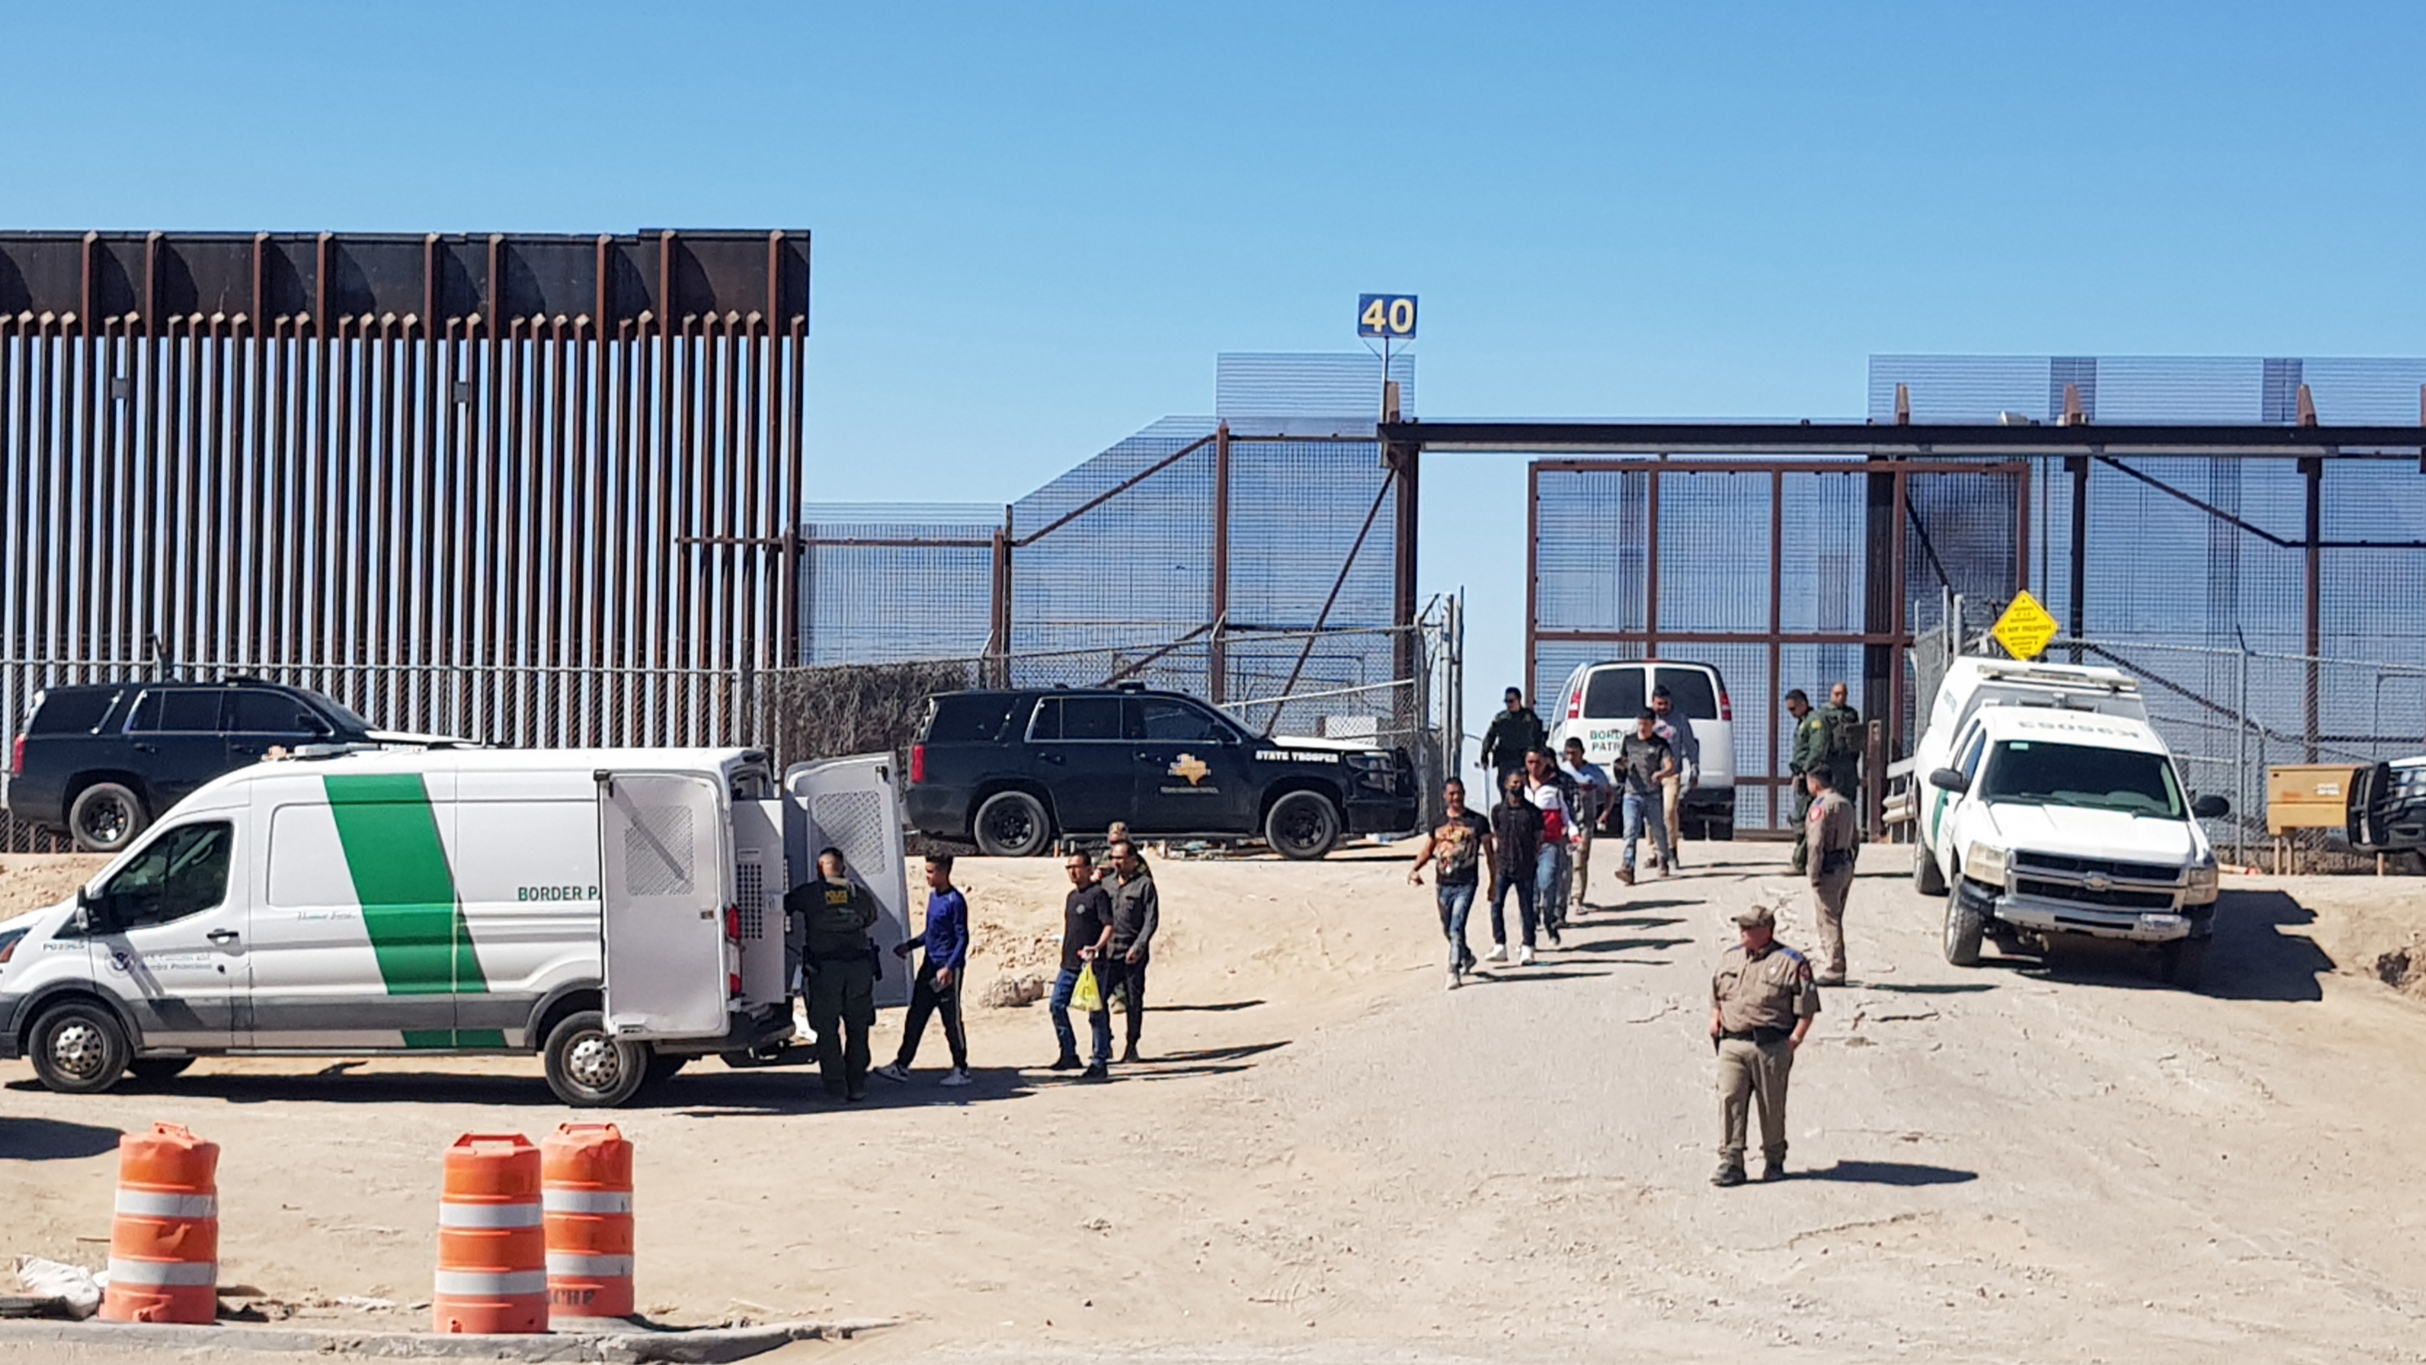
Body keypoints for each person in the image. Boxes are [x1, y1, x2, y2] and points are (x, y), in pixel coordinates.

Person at [1707, 904, 1821, 1187]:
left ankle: (1774, 1159)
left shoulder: (1791, 962)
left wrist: (1794, 1041)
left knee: (1771, 1106)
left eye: (1748, 928)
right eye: (1741, 927)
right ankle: (1731, 1161)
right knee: (1730, 1099)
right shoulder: (1730, 958)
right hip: (1732, 1042)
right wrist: (1716, 1018)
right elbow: (1717, 993)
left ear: (1766, 932)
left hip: (1770, 1046)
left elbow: (1806, 1008)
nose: (1742, 932)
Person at [791, 847, 880, 1101]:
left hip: (825, 971)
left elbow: (785, 904)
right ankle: (857, 1084)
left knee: (827, 1030)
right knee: (858, 1027)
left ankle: (835, 1085)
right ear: (843, 867)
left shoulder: (810, 893)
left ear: (820, 868)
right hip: (859, 970)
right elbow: (871, 917)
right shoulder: (858, 893)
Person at [876, 854, 971, 1087]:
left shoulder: (955, 901)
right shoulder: (933, 897)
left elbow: (962, 938)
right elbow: (930, 932)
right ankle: (901, 1065)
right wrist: (909, 946)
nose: (926, 876)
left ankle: (961, 1068)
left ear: (944, 871)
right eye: (926, 871)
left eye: (930, 872)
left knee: (951, 1020)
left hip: (947, 970)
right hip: (929, 966)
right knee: (916, 1016)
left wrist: (949, 967)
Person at [1407, 777, 1496, 989]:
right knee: (1447, 928)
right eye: (1452, 794)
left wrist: (1493, 882)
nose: (1456, 798)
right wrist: (1414, 869)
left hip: (1466, 883)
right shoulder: (1438, 822)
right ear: (1445, 796)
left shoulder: (1477, 822)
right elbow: (1428, 850)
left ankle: (1453, 969)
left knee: (1457, 925)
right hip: (1443, 883)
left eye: (1459, 793)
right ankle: (1466, 955)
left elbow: (1490, 854)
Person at [1048, 850, 1116, 1079]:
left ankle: (1100, 1060)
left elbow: (1108, 924)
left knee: (1095, 1013)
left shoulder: (1098, 895)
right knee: (1057, 1004)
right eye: (1069, 868)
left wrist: (1097, 947)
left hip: (1093, 966)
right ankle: (1068, 1053)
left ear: (1088, 869)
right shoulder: (1071, 897)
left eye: (1077, 867)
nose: (1073, 872)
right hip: (1069, 963)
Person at [1101, 840, 1159, 1063]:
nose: (1117, 862)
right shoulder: (1106, 885)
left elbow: (1150, 920)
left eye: (1122, 858)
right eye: (1114, 858)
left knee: (1133, 1001)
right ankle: (1104, 1045)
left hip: (1133, 955)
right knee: (1098, 1000)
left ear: (1134, 861)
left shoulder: (1144, 886)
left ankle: (1132, 1045)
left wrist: (1139, 946)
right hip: (1108, 954)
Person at [1803, 764, 1859, 986]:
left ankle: (1834, 968)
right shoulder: (1846, 803)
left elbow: (1815, 843)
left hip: (1828, 866)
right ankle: (1834, 962)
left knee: (1828, 919)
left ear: (1815, 783)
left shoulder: (1820, 807)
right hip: (1845, 863)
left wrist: (1813, 872)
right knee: (1836, 915)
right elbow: (1855, 838)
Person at [1484, 770, 1542, 967]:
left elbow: (1539, 839)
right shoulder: (1498, 811)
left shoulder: (1533, 812)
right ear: (1506, 785)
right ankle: (1499, 944)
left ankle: (1528, 947)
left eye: (1520, 782)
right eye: (1514, 783)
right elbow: (1497, 834)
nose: (1517, 786)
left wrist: (1532, 859)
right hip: (1503, 865)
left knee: (1526, 908)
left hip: (1525, 866)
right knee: (1496, 904)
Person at [1615, 710, 1677, 885]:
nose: (1642, 727)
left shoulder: (1660, 744)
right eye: (1640, 723)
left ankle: (1663, 858)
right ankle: (1628, 866)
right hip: (1631, 792)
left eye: (1645, 724)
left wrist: (1661, 773)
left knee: (1657, 829)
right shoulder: (1629, 740)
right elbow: (1622, 760)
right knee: (1630, 831)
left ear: (1653, 724)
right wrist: (1621, 766)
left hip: (1652, 794)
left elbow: (1670, 765)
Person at [1523, 748, 1577, 944]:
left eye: (1538, 762)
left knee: (1548, 881)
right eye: (1530, 762)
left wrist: (1573, 833)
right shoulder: (1521, 788)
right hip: (1526, 845)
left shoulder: (1555, 788)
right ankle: (1530, 928)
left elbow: (1566, 814)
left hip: (1549, 843)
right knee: (1530, 887)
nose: (1534, 767)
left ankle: (1550, 918)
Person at [1648, 685, 1701, 869]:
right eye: (1659, 704)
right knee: (1651, 814)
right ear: (1653, 703)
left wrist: (1694, 767)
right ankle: (1655, 853)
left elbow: (1690, 745)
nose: (1662, 707)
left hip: (1672, 773)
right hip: (1650, 775)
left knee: (1669, 810)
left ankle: (1671, 849)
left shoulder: (1679, 720)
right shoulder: (1647, 720)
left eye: (1665, 703)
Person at [1559, 738, 1613, 908]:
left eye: (1573, 753)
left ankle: (1577, 897)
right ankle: (1563, 897)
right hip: (1565, 824)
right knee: (1564, 861)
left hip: (1585, 824)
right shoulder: (1561, 771)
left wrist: (1605, 813)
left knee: (1580, 859)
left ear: (1582, 753)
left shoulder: (1594, 772)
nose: (1570, 757)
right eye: (1567, 753)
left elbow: (1610, 793)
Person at [1785, 688, 1826, 875]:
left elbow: (1817, 749)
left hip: (1810, 777)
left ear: (1803, 703)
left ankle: (1800, 862)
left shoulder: (1814, 721)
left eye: (1793, 708)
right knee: (1800, 818)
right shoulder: (1803, 722)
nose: (1791, 714)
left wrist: (1805, 771)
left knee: (1805, 819)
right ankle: (1804, 861)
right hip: (1802, 775)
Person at [1480, 687, 1547, 793]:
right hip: (1506, 760)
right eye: (1506, 701)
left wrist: (1542, 757)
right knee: (1505, 788)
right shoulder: (1501, 719)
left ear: (1519, 700)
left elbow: (1539, 738)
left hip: (1524, 760)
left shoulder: (1529, 717)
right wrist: (1484, 757)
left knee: (1525, 788)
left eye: (1511, 701)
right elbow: (1489, 737)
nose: (1509, 704)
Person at [1817, 682, 1865, 826]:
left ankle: (1849, 831)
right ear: (1831, 694)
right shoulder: (1824, 713)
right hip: (1832, 762)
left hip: (1848, 762)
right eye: (1837, 694)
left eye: (1843, 694)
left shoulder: (1851, 713)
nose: (1840, 697)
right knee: (1832, 797)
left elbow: (1857, 736)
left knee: (1849, 797)